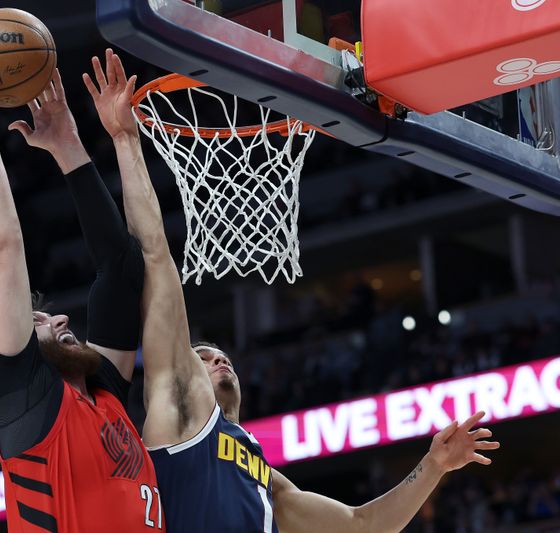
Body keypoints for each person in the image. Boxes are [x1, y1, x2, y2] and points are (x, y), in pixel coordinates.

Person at [82, 48, 501, 533]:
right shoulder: (179, 409)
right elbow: (156, 257)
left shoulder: (260, 472)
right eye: (203, 354)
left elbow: (362, 525)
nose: (219, 359)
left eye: (221, 354)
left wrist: (433, 467)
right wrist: (125, 140)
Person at [0, 27, 161, 532]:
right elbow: (1, 248)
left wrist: (68, 146)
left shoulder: (102, 391)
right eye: (42, 321)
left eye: (47, 317)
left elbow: (121, 268)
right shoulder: (25, 394)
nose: (63, 317)